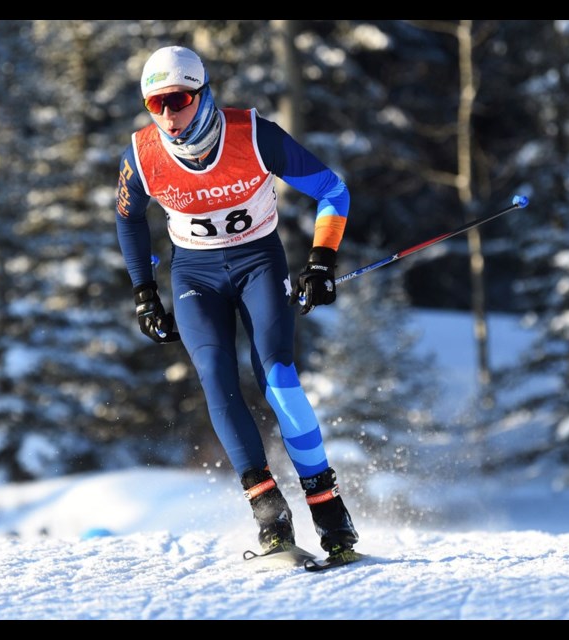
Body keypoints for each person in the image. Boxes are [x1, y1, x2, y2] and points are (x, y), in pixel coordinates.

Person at [114, 45, 359, 560]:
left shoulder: (253, 134)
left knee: (277, 375)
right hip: (194, 275)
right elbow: (129, 217)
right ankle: (269, 513)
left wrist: (321, 260)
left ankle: (327, 504)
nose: (167, 115)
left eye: (177, 100)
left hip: (257, 265)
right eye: (154, 104)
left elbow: (333, 190)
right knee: (216, 378)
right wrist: (144, 293)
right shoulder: (141, 155)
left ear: (202, 94)